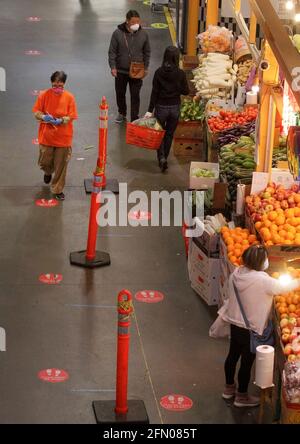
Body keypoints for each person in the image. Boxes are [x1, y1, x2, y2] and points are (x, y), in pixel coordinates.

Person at [221, 245, 300, 408]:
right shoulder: (263, 280)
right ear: (260, 262)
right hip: (252, 329)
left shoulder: (236, 274)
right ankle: (241, 397)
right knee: (246, 363)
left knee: (232, 356)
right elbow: (283, 288)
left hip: (235, 324)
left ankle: (228, 389)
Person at [32, 71, 78, 201]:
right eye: (54, 85)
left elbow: (72, 115)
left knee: (61, 165)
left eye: (60, 86)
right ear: (51, 83)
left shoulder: (69, 97)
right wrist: (43, 116)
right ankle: (47, 172)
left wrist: (62, 120)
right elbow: (36, 112)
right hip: (47, 135)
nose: (57, 88)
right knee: (44, 162)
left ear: (64, 84)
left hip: (63, 137)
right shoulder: (43, 95)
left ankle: (57, 189)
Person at [145, 46, 189, 172]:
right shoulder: (180, 73)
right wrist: (177, 87)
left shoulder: (159, 72)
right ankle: (166, 157)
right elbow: (186, 91)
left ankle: (161, 157)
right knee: (169, 134)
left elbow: (155, 92)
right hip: (174, 108)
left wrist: (149, 110)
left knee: (159, 134)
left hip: (161, 107)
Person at [108, 10, 151, 123]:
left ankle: (134, 118)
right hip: (121, 71)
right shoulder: (117, 33)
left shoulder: (144, 34)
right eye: (133, 22)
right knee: (120, 94)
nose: (136, 24)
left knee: (135, 95)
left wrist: (146, 67)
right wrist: (113, 67)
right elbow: (112, 51)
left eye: (138, 21)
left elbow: (147, 52)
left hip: (137, 70)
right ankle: (122, 113)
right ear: (127, 21)